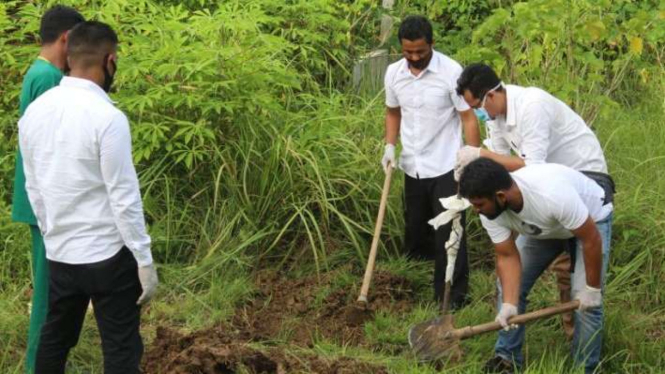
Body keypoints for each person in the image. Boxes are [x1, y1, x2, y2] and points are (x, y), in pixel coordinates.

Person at [19, 21, 158, 374]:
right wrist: (143, 258)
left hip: (62, 254)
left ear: (68, 56)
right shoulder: (108, 117)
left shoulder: (36, 111)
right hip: (109, 256)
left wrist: (52, 236)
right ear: (109, 61)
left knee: (55, 341)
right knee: (121, 347)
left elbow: (34, 185)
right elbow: (124, 195)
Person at [454, 63, 615, 337]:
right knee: (511, 287)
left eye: (477, 106)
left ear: (491, 96)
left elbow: (532, 165)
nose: (479, 115)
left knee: (579, 284)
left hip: (585, 180)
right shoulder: (496, 119)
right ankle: (506, 356)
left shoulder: (532, 105)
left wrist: (481, 154)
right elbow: (501, 172)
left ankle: (579, 353)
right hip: (541, 190)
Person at [459, 158, 613, 374]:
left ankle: (584, 368)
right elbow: (507, 255)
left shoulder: (551, 194)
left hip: (591, 222)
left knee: (586, 303)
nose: (476, 211)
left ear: (501, 196)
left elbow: (591, 240)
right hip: (544, 228)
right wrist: (510, 304)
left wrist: (593, 289)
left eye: (479, 205)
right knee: (509, 290)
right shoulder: (489, 209)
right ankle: (507, 359)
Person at [381, 15, 480, 306]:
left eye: (420, 52)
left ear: (432, 45)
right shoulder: (394, 73)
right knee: (415, 228)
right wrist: (390, 145)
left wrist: (472, 159)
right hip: (413, 164)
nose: (414, 57)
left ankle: (452, 299)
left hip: (447, 165)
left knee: (449, 232)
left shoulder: (451, 72)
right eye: (408, 52)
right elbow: (392, 111)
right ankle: (412, 286)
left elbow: (468, 118)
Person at [10, 6, 85, 373]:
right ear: (66, 39)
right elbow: (49, 146)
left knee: (56, 291)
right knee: (49, 296)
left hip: (44, 203)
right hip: (44, 205)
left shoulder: (43, 74)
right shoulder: (47, 78)